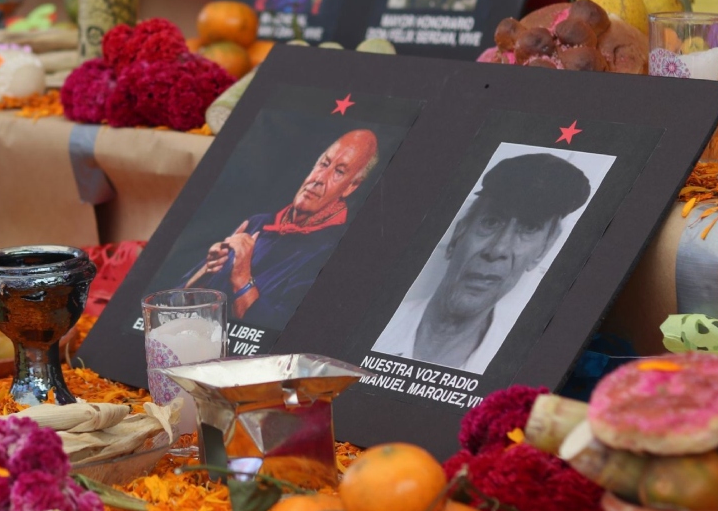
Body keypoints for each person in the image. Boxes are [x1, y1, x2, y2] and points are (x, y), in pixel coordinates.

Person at [372, 153, 592, 373]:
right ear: (458, 235)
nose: (498, 250)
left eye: (529, 228)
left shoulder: (523, 367)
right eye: (491, 221)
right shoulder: (375, 326)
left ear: (542, 251)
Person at [182, 129, 379, 329]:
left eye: (339, 172)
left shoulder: (333, 249)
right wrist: (208, 270)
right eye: (324, 164)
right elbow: (177, 302)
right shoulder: (258, 222)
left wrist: (241, 278)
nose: (319, 178)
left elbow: (274, 336)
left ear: (351, 186)